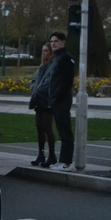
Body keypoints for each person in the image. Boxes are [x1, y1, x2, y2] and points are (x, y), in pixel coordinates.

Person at [48, 31, 76, 172]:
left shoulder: (65, 58)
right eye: (52, 41)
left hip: (62, 100)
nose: (53, 43)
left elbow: (66, 81)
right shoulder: (58, 58)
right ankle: (63, 160)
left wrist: (57, 96)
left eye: (56, 41)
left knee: (65, 131)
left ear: (63, 42)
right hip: (57, 99)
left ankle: (66, 162)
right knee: (61, 130)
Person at [29, 43, 56, 167]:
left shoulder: (52, 66)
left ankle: (52, 154)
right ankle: (41, 154)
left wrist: (38, 90)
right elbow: (35, 80)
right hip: (38, 101)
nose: (43, 53)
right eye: (42, 51)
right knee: (39, 127)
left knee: (47, 127)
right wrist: (34, 89)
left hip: (46, 100)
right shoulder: (41, 67)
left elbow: (48, 83)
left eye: (46, 51)